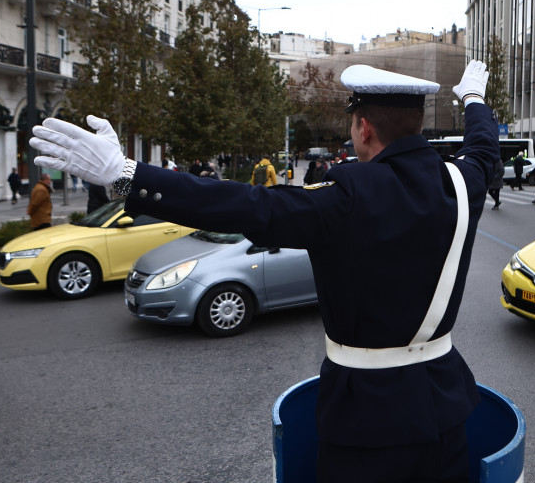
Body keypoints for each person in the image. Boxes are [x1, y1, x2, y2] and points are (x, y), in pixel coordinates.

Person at [30, 60, 499, 481]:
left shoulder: (346, 195)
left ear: (364, 129)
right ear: (416, 124)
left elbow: (245, 206)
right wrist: (474, 100)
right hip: (445, 403)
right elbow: (483, 148)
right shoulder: (463, 182)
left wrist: (127, 176)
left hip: (367, 416)